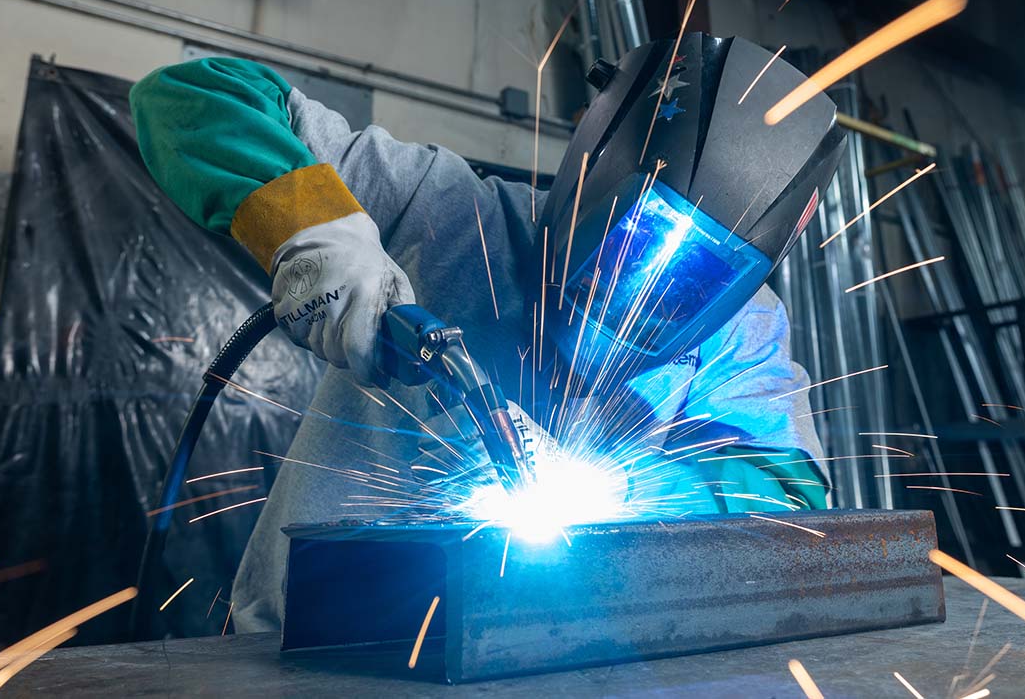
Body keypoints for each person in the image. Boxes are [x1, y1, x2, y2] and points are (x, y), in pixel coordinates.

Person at [129, 32, 844, 632]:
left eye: (689, 278)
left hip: (535, 666)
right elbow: (194, 95)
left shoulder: (743, 326)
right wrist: (316, 231)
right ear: (596, 163)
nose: (629, 292)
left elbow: (787, 503)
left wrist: (618, 488)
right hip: (294, 652)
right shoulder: (442, 208)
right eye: (620, 245)